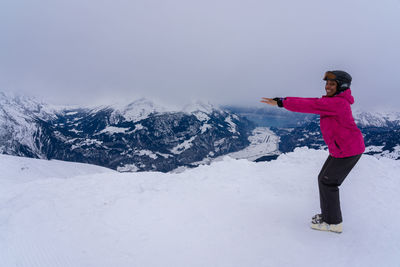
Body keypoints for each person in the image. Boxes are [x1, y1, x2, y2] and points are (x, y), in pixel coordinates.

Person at [261, 70, 365, 233]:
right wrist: (283, 101)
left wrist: (282, 102)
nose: (327, 87)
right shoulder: (336, 101)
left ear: (341, 86)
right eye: (327, 83)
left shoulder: (338, 103)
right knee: (324, 179)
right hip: (342, 149)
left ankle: (333, 223)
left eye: (332, 84)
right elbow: (313, 102)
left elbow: (311, 104)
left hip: (348, 150)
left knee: (328, 182)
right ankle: (329, 216)